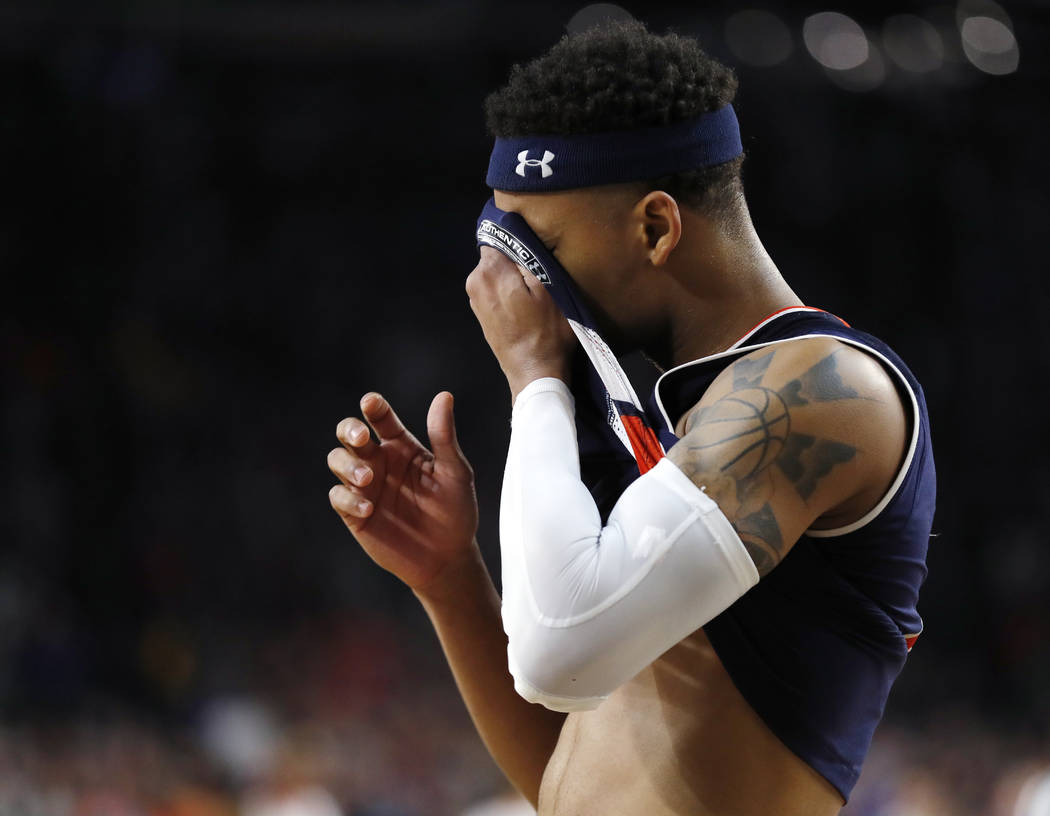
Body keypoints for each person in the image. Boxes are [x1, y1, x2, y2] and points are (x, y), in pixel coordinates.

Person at [327, 22, 935, 816]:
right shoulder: (675, 414)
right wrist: (450, 581)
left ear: (656, 227)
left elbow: (557, 654)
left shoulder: (821, 390)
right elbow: (566, 783)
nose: (510, 285)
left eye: (536, 246)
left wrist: (535, 379)